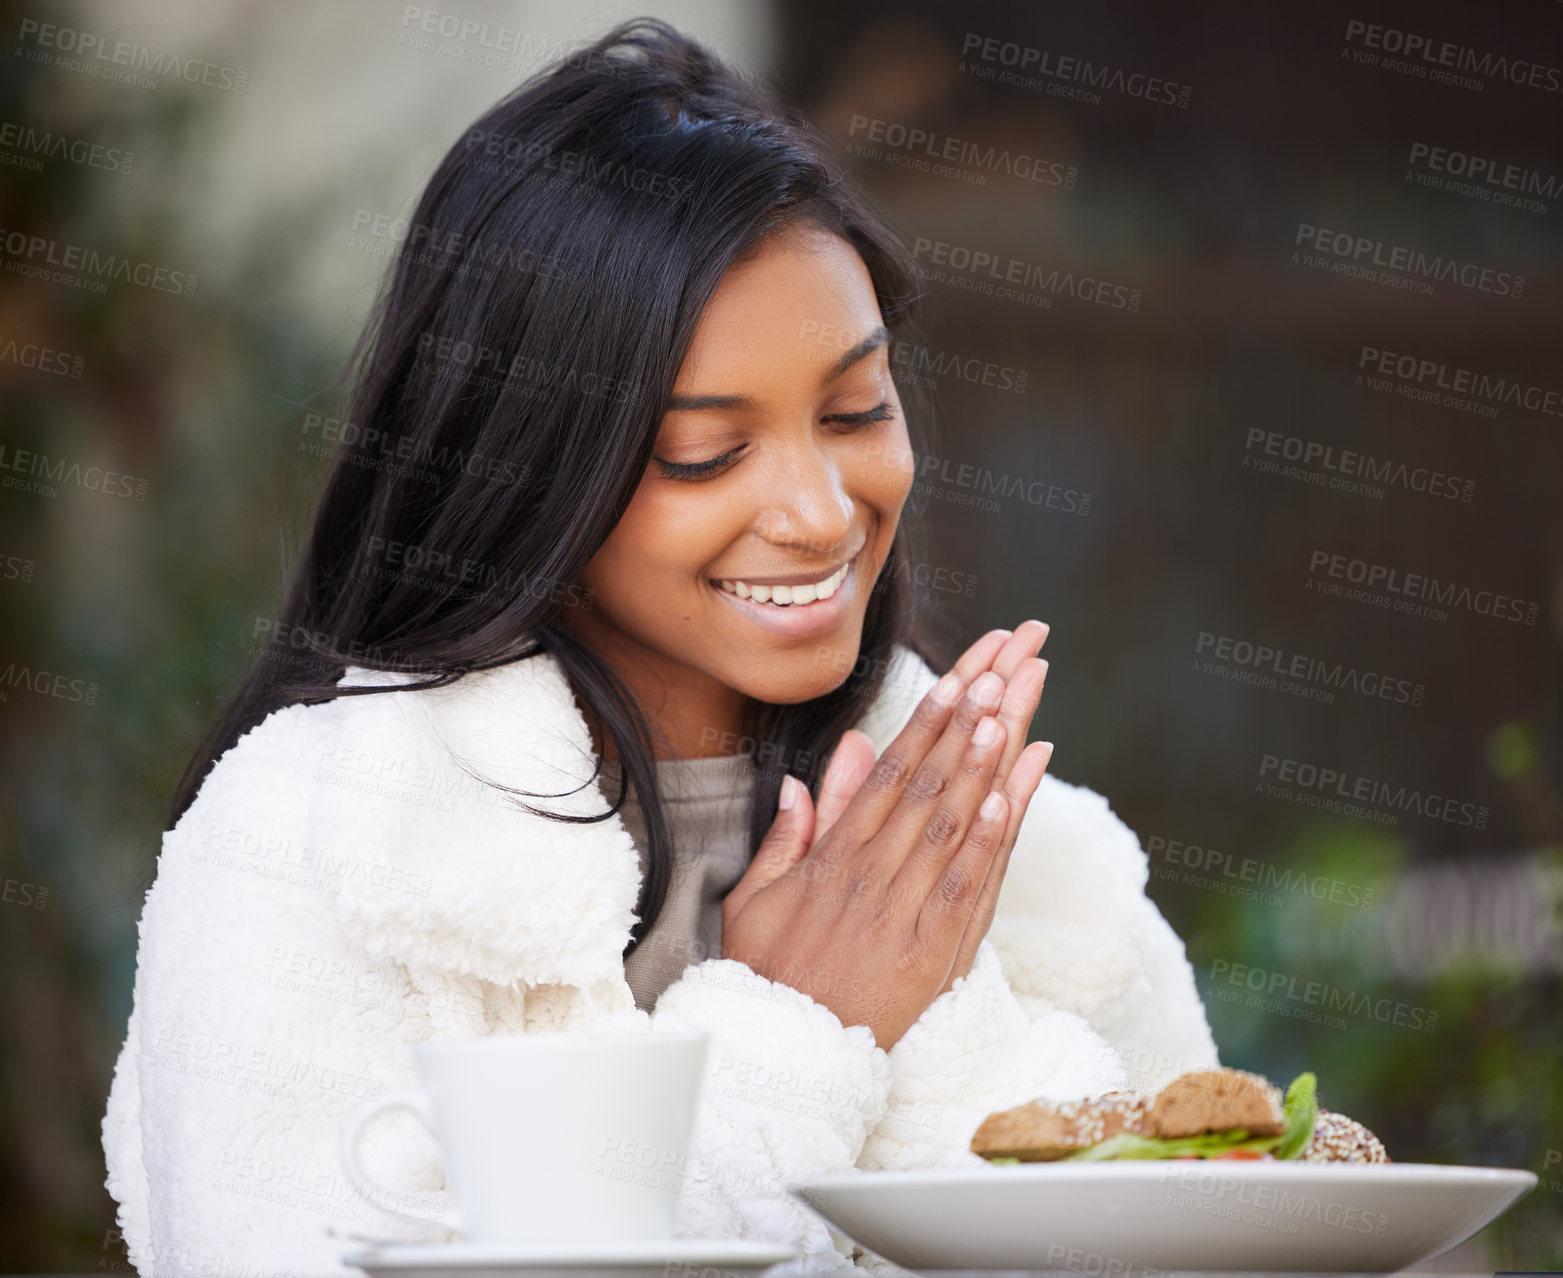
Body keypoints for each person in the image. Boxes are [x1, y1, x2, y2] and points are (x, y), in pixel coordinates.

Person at [102, 16, 1218, 1276]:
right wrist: (796, 1033)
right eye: (706, 452)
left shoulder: (1031, 864)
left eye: (857, 409)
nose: (818, 514)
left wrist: (936, 1027)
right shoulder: (318, 841)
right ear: (529, 469)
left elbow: (1213, 1228)